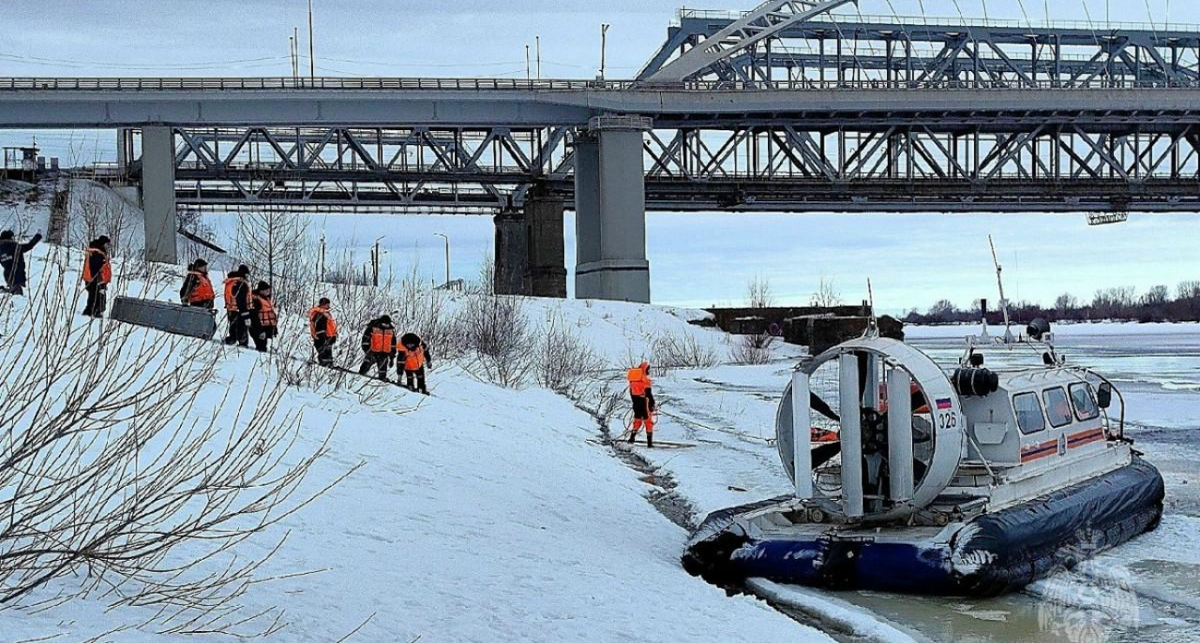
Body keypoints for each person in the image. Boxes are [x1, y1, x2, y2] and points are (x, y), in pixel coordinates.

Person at [0, 229, 43, 296]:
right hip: (17, 273)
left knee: (13, 292)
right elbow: (29, 245)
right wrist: (38, 235)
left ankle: (5, 292)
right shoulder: (14, 246)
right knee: (17, 295)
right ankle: (6, 292)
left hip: (7, 274)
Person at [627, 361, 656, 448]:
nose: (648, 371)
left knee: (637, 420)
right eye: (648, 369)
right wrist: (652, 403)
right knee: (648, 422)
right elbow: (648, 394)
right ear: (645, 369)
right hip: (645, 403)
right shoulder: (645, 380)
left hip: (636, 403)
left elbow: (631, 394)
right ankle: (649, 444)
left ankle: (631, 439)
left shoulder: (632, 381)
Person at [359, 315, 397, 381]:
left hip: (384, 354)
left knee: (383, 371)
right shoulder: (372, 328)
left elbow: (393, 345)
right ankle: (358, 376)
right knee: (365, 366)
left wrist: (392, 358)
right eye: (384, 324)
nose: (386, 326)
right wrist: (368, 352)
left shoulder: (391, 331)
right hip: (372, 352)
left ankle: (382, 379)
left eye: (387, 324)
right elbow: (365, 341)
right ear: (381, 322)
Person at [81, 236, 112, 318]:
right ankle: (94, 312)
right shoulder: (97, 252)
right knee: (96, 296)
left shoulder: (94, 250)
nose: (108, 246)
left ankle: (89, 311)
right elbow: (96, 267)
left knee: (93, 295)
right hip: (95, 279)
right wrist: (100, 280)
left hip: (91, 278)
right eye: (107, 244)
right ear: (103, 243)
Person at [222, 266, 251, 347]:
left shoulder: (231, 281)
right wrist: (245, 314)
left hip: (231, 308)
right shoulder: (241, 284)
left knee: (233, 326)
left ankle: (232, 339)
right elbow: (241, 300)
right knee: (242, 328)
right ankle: (242, 343)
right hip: (239, 309)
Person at [308, 297, 338, 367]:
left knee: (327, 351)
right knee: (323, 351)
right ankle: (325, 364)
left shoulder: (324, 313)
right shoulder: (320, 314)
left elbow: (329, 326)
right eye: (327, 305)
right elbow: (320, 327)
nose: (329, 306)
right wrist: (323, 336)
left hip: (327, 336)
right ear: (323, 304)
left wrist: (333, 335)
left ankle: (329, 363)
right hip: (322, 337)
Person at [250, 281, 278, 353]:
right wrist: (260, 330)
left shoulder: (266, 299)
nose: (268, 292)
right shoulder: (256, 300)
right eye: (267, 290)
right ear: (261, 291)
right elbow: (254, 315)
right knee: (261, 346)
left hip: (266, 326)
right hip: (259, 326)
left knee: (263, 345)